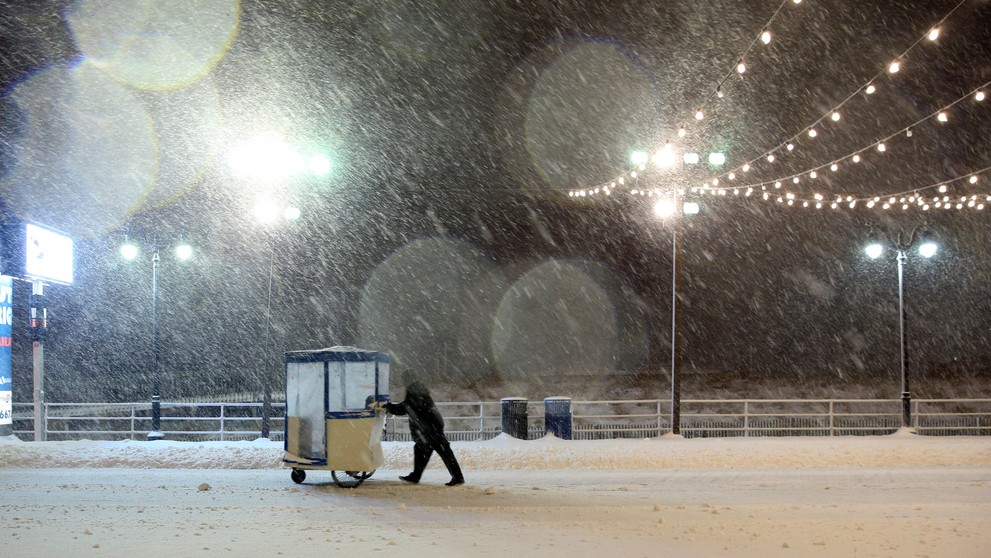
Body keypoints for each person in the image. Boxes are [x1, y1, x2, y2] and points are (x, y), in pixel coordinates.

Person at [384, 376, 464, 486]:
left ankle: (416, 477)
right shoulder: (418, 389)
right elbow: (408, 406)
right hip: (433, 426)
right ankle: (457, 477)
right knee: (441, 452)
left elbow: (406, 407)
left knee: (426, 451)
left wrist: (388, 407)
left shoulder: (414, 390)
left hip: (428, 429)